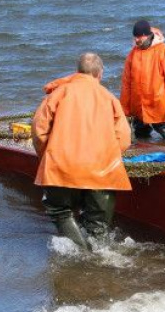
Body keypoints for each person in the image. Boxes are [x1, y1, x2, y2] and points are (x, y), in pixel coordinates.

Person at [32, 52, 132, 249]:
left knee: (60, 211)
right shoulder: (109, 97)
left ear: (77, 71)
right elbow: (124, 138)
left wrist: (47, 157)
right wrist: (108, 157)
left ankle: (81, 254)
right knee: (98, 224)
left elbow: (39, 131)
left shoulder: (58, 93)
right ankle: (97, 256)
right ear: (100, 74)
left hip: (62, 166)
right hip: (102, 169)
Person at [120, 20, 165, 143]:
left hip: (160, 108)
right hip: (138, 109)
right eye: (135, 37)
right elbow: (126, 84)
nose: (136, 40)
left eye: (139, 37)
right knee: (140, 141)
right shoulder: (132, 54)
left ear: (148, 35)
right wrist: (125, 110)